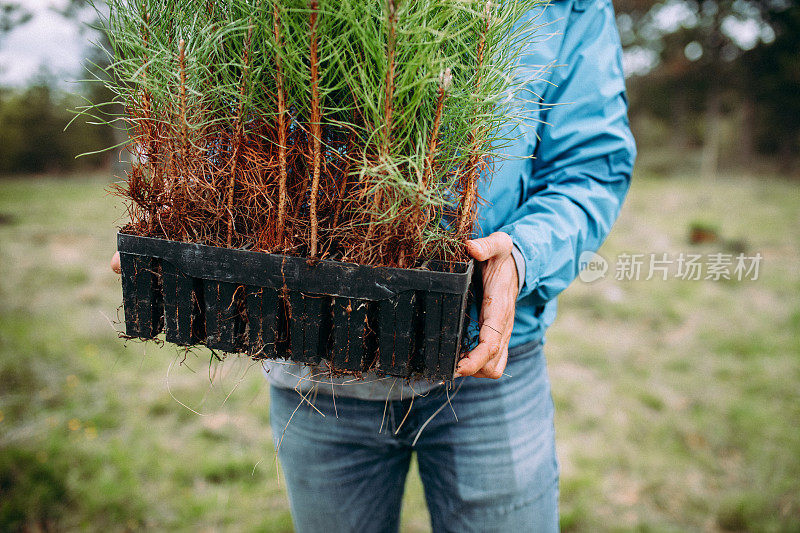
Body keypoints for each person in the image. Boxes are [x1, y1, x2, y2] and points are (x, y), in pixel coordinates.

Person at [111, 0, 634, 530]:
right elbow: (222, 109)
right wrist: (177, 208)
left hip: (487, 365)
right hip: (313, 367)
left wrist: (522, 254)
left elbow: (589, 167)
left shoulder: (566, 8)